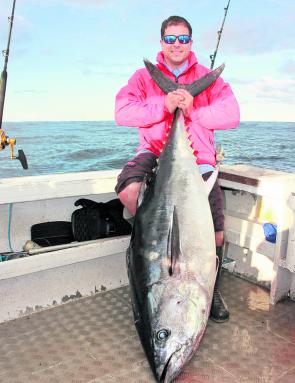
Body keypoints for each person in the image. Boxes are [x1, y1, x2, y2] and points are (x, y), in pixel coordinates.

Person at [114, 15, 240, 322]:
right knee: (130, 191)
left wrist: (192, 109)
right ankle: (152, 258)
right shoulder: (145, 77)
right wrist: (164, 106)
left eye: (183, 39)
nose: (177, 45)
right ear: (161, 42)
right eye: (170, 39)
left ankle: (211, 288)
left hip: (198, 159)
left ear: (191, 43)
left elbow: (231, 114)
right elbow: (122, 111)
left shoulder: (209, 78)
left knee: (217, 234)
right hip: (155, 151)